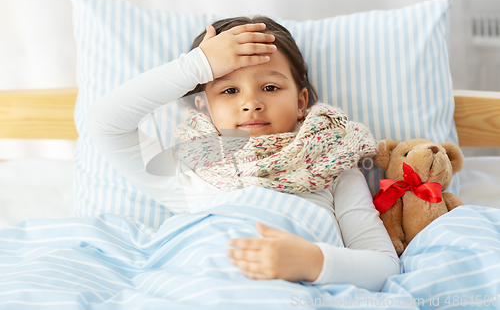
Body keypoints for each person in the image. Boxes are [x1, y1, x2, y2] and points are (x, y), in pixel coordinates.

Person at [86, 16, 399, 292]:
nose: (251, 102)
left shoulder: (333, 167)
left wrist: (314, 262)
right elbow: (105, 124)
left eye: (271, 88)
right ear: (204, 106)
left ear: (302, 102)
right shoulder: (190, 168)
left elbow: (383, 265)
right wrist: (198, 65)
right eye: (229, 90)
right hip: (191, 290)